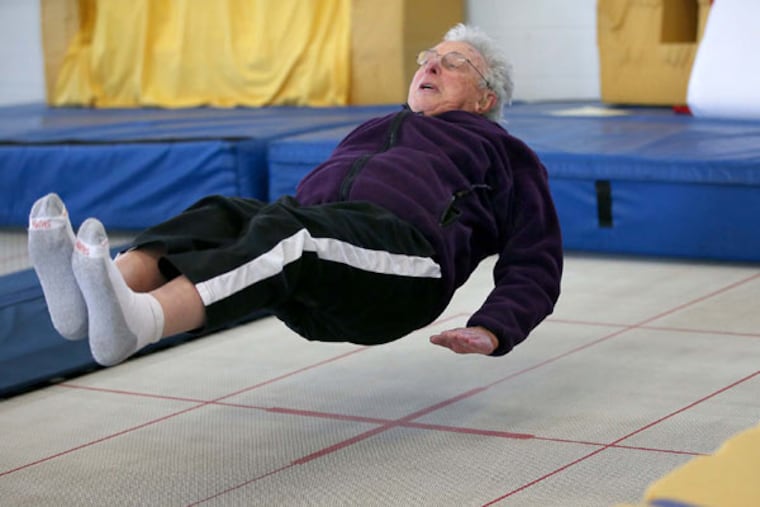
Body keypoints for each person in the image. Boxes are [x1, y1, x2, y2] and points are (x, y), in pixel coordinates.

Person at [28, 23, 563, 367]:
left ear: (484, 98)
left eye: (454, 63)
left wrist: (495, 327)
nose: (430, 66)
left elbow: (535, 259)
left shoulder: (504, 153)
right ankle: (87, 302)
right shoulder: (377, 127)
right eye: (428, 57)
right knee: (223, 212)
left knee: (294, 236)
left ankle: (141, 324)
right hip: (326, 264)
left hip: (406, 267)